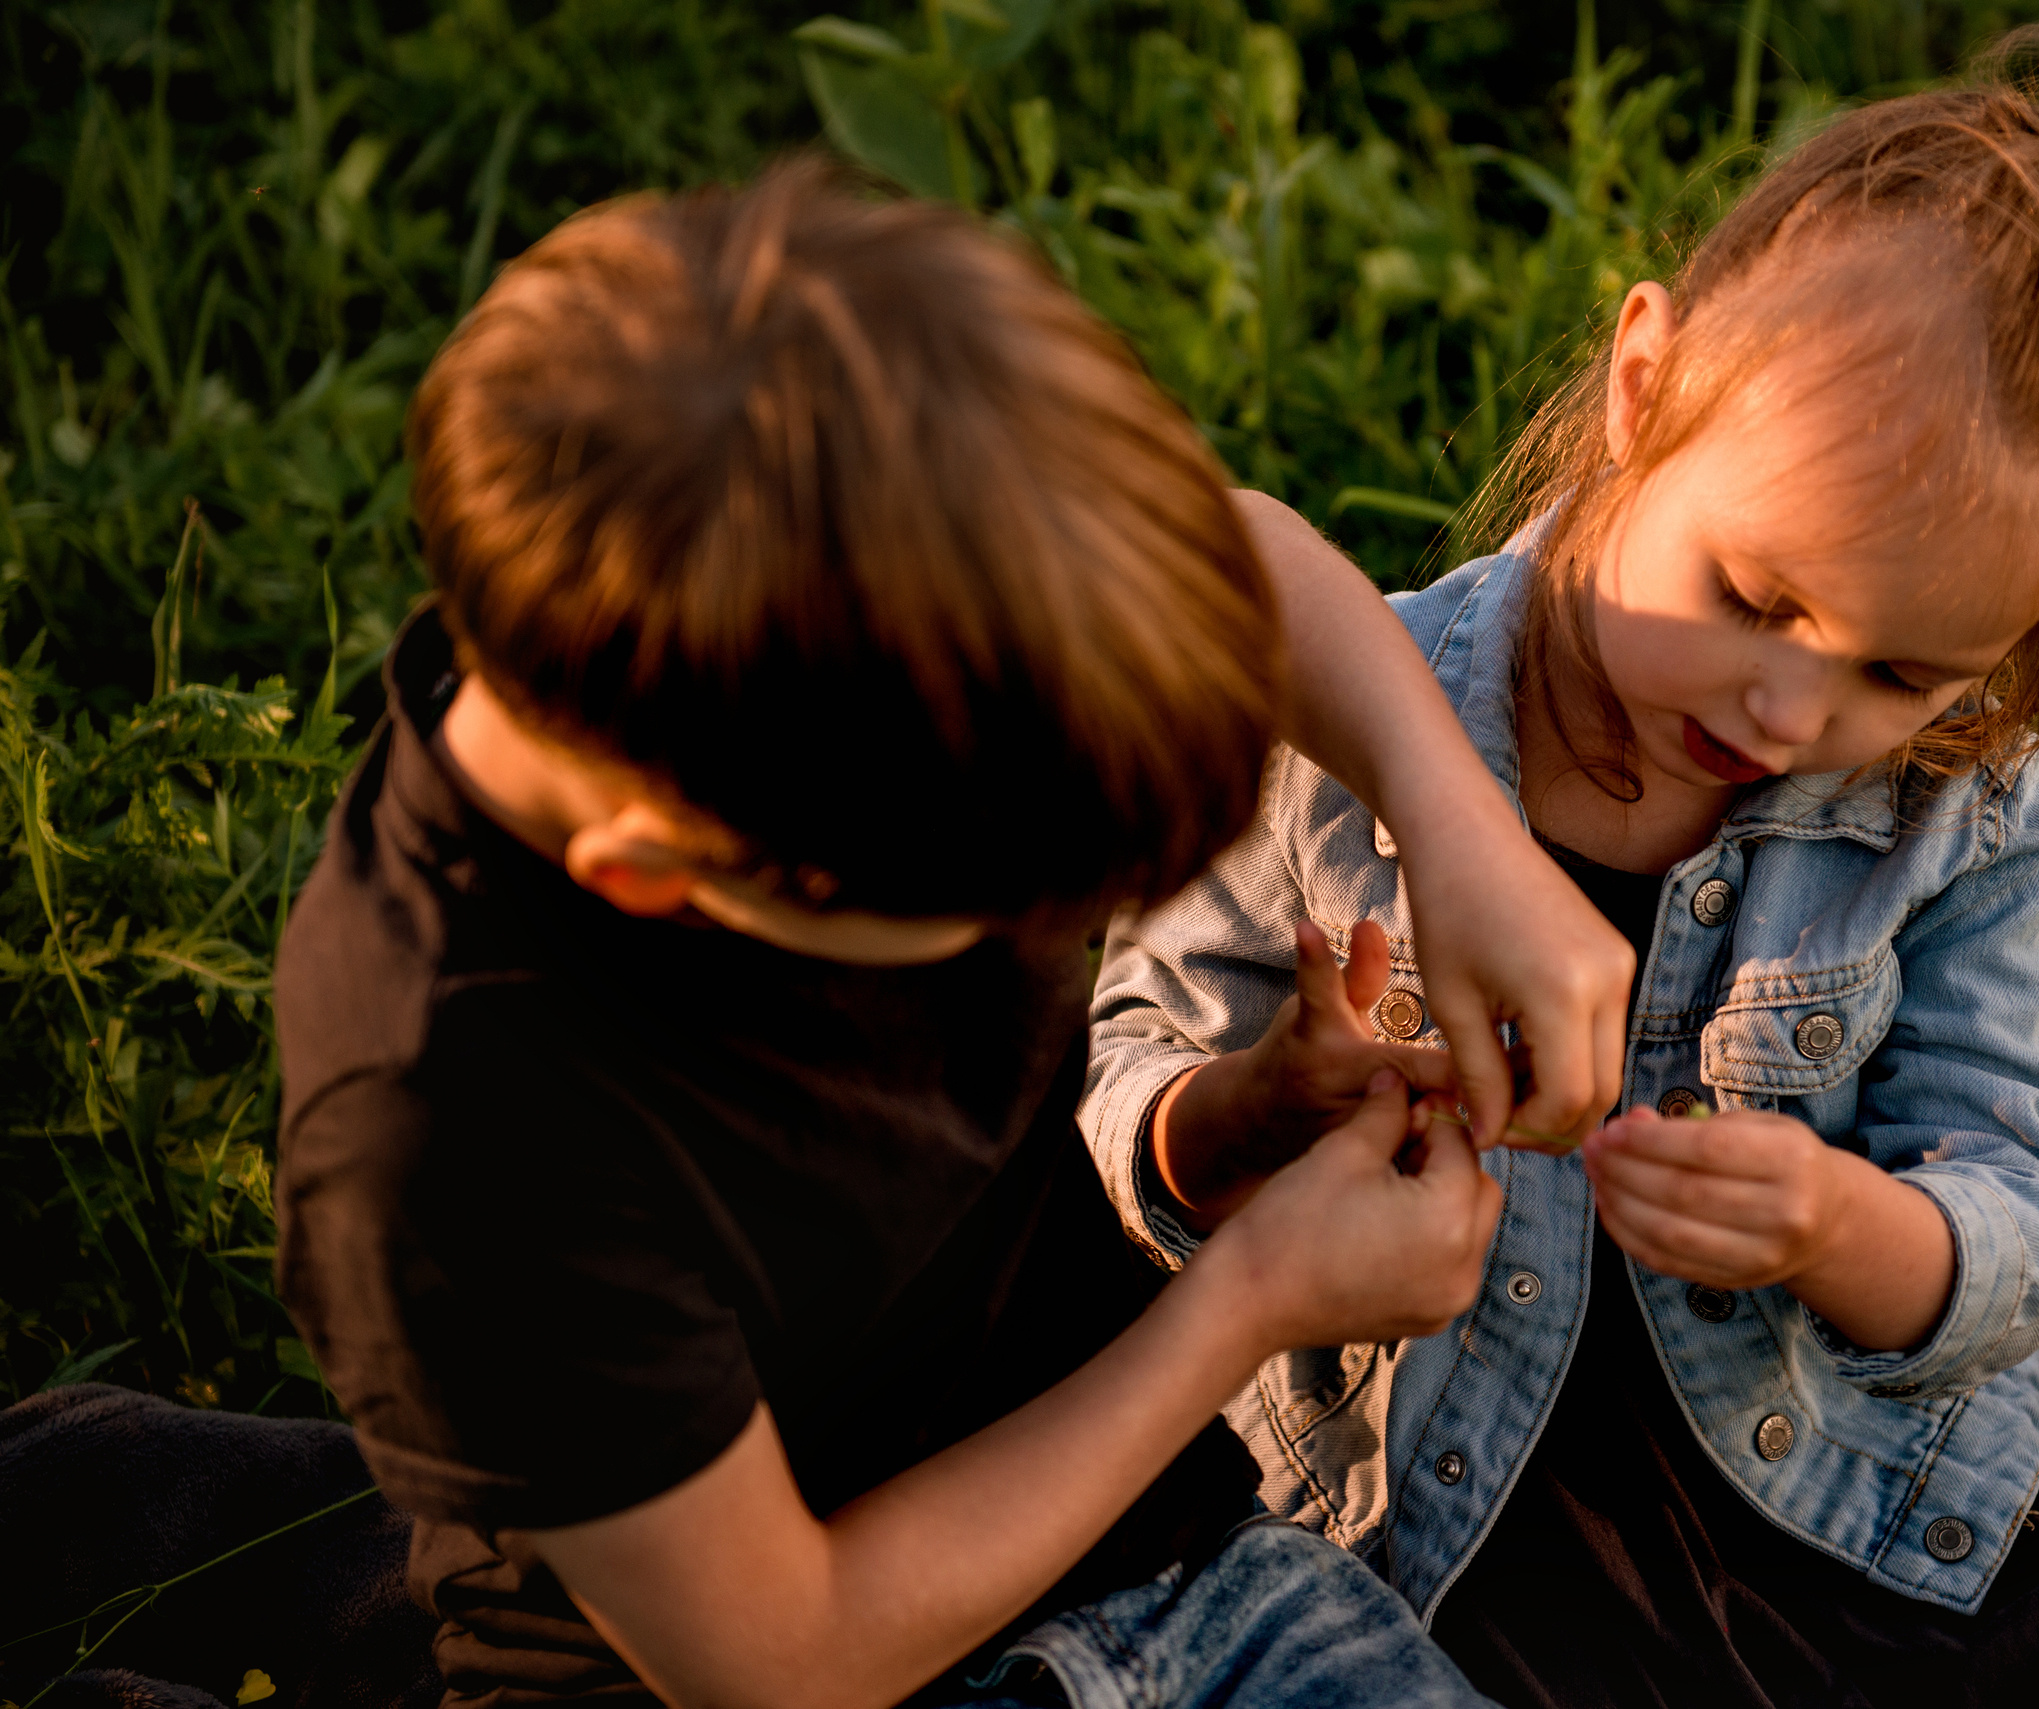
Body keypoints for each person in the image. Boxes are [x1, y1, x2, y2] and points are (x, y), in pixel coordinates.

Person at [1079, 35, 2039, 1708]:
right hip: (1419, 1504)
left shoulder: (1960, 811)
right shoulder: (1344, 727)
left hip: (1825, 1483)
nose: (1789, 712)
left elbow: (2013, 1195)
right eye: (1756, 598)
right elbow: (1128, 1092)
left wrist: (1843, 1228)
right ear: (1644, 387)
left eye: (1902, 674)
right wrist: (1267, 1103)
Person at [268, 159, 1638, 1709]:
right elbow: (788, 1657)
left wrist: (1459, 833)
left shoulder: (871, 527)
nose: (1065, 936)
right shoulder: (451, 1124)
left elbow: (1243, 556)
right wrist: (1249, 1299)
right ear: (665, 874)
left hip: (1153, 1545)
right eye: (1018, 907)